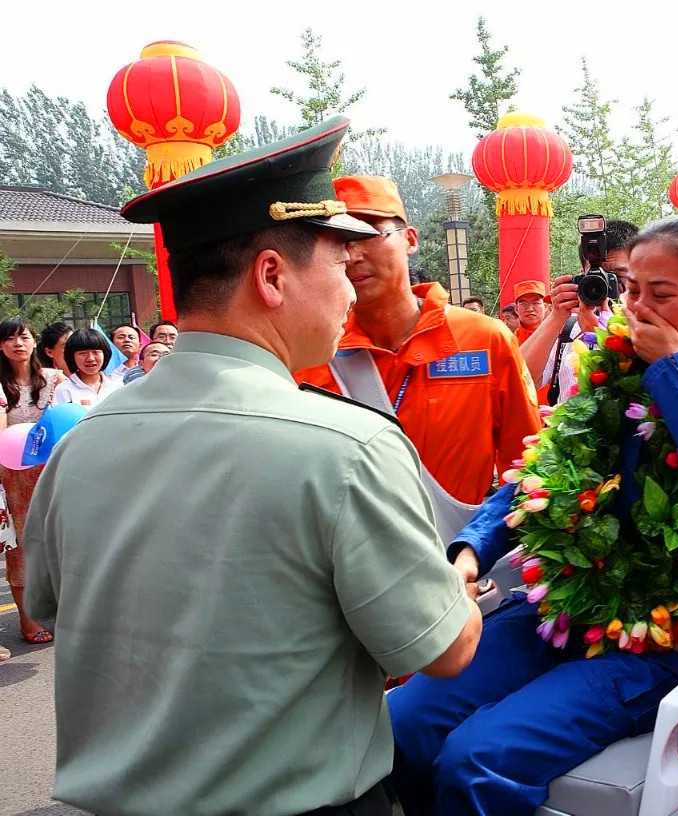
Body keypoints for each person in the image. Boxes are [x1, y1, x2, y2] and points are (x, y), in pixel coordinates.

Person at [22, 118, 481, 816]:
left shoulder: (85, 440)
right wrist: (459, 584)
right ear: (271, 275)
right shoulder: (345, 447)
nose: (351, 291)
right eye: (337, 265)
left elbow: (54, 601)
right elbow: (441, 651)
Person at [386, 215, 678, 815]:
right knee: (401, 725)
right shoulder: (605, 370)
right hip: (564, 604)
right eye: (633, 289)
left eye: (662, 294)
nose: (640, 307)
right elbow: (543, 471)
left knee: (476, 760)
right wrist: (469, 551)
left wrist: (672, 366)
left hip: (660, 634)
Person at [294, 175, 541, 521]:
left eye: (369, 232)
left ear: (410, 239)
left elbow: (527, 468)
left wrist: (481, 547)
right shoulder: (309, 354)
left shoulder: (485, 341)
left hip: (457, 560)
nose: (353, 255)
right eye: (338, 241)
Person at [520, 219, 639, 406]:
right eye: (597, 276)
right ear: (582, 276)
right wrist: (556, 317)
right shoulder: (568, 330)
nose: (606, 286)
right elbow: (519, 379)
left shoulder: (650, 328)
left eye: (616, 277)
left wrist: (603, 337)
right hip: (569, 433)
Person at [0, 317, 62, 646]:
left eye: (23, 337)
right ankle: (27, 618)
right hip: (13, 478)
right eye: (10, 339)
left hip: (52, 470)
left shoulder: (54, 379)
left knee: (59, 540)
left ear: (35, 341)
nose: (18, 343)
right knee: (21, 548)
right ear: (1, 346)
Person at [51, 328, 123, 408]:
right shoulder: (64, 389)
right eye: (83, 353)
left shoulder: (117, 385)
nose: (90, 358)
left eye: (96, 352)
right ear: (71, 357)